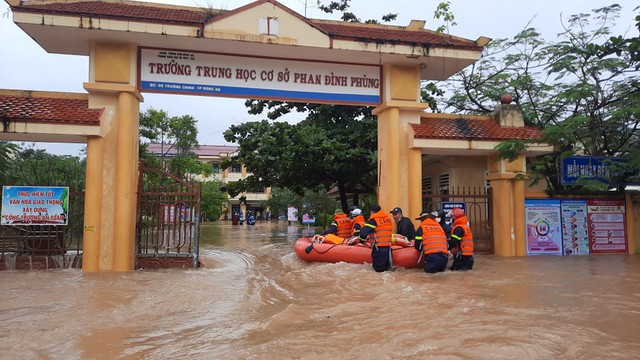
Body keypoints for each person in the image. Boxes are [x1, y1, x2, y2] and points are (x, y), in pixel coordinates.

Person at [357, 205, 393, 272]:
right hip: (388, 249)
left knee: (379, 271)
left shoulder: (374, 221)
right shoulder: (388, 219)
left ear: (372, 212)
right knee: (386, 271)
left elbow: (363, 232)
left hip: (379, 250)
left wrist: (362, 241)